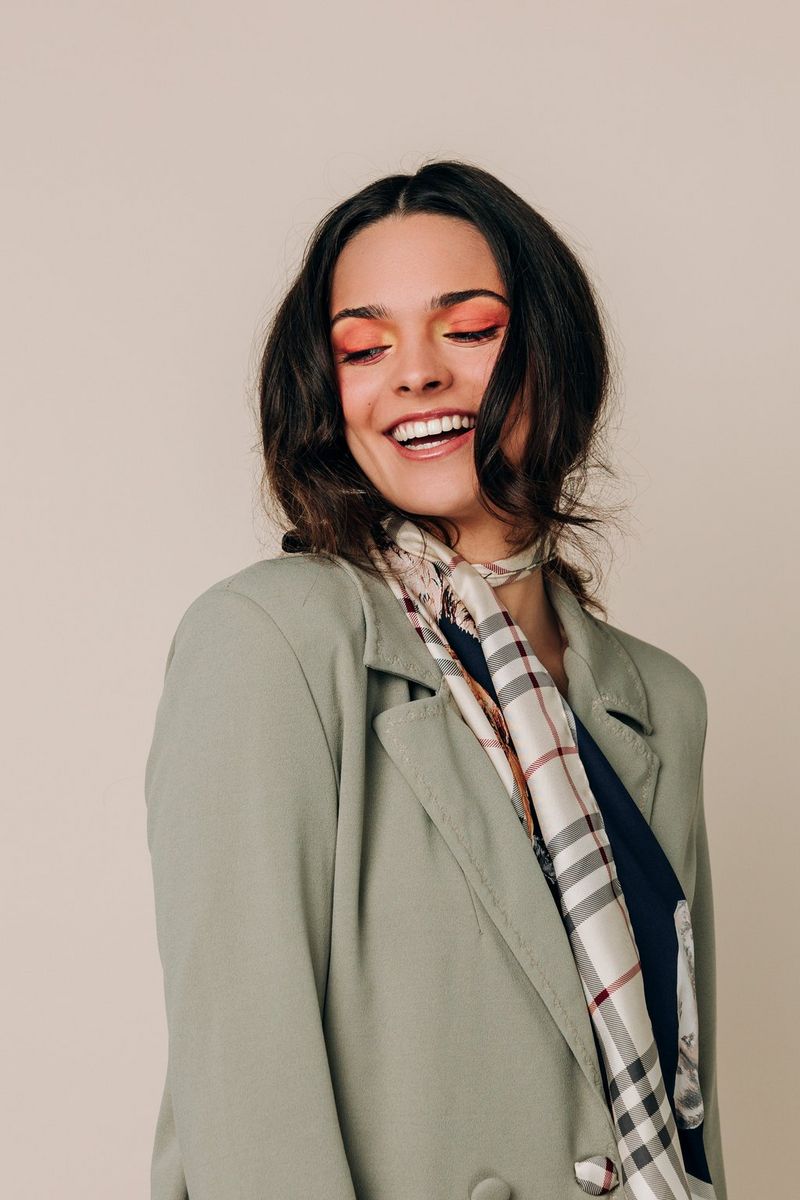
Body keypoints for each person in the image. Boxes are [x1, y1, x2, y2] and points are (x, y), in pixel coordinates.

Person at [145, 159, 727, 1200]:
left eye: (467, 329)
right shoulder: (271, 646)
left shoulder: (657, 702)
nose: (413, 375)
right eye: (363, 348)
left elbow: (685, 1120)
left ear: (551, 352)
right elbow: (246, 1109)